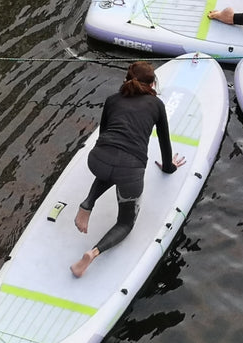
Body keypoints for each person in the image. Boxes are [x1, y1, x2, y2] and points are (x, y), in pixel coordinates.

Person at [70, 61, 186, 277]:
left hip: (97, 160)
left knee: (111, 166)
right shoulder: (157, 105)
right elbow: (164, 142)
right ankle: (93, 253)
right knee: (125, 223)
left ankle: (87, 203)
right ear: (152, 84)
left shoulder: (112, 100)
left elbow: (104, 134)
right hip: (129, 171)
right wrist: (169, 167)